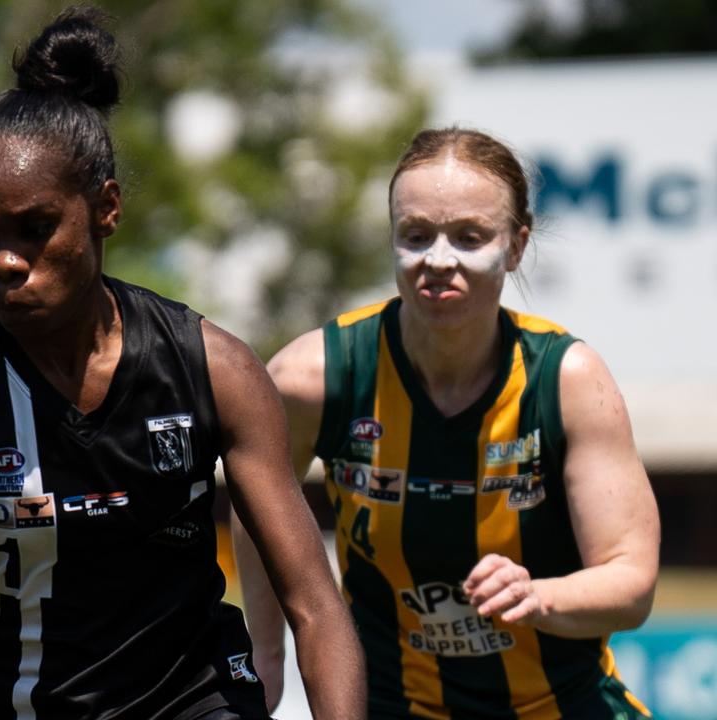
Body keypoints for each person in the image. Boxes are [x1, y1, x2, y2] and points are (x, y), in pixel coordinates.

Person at [0, 7, 363, 720]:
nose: (5, 262)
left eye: (37, 229)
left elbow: (315, 608)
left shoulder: (212, 368)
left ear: (106, 209)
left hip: (196, 701)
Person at [235, 127, 661, 718]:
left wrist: (538, 596)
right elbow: (255, 507)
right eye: (416, 235)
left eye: (469, 236)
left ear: (515, 245)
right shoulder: (315, 376)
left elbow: (631, 582)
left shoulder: (568, 380)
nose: (438, 259)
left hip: (560, 703)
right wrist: (265, 651)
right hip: (393, 704)